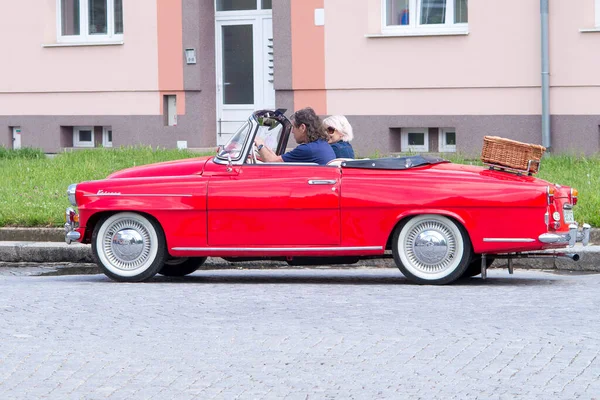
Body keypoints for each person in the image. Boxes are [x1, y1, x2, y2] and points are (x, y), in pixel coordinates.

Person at [254, 107, 335, 165]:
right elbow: (277, 159)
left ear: (302, 127)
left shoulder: (307, 149)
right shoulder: (321, 145)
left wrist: (259, 143)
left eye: (294, 127)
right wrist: (264, 146)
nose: (292, 131)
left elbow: (271, 162)